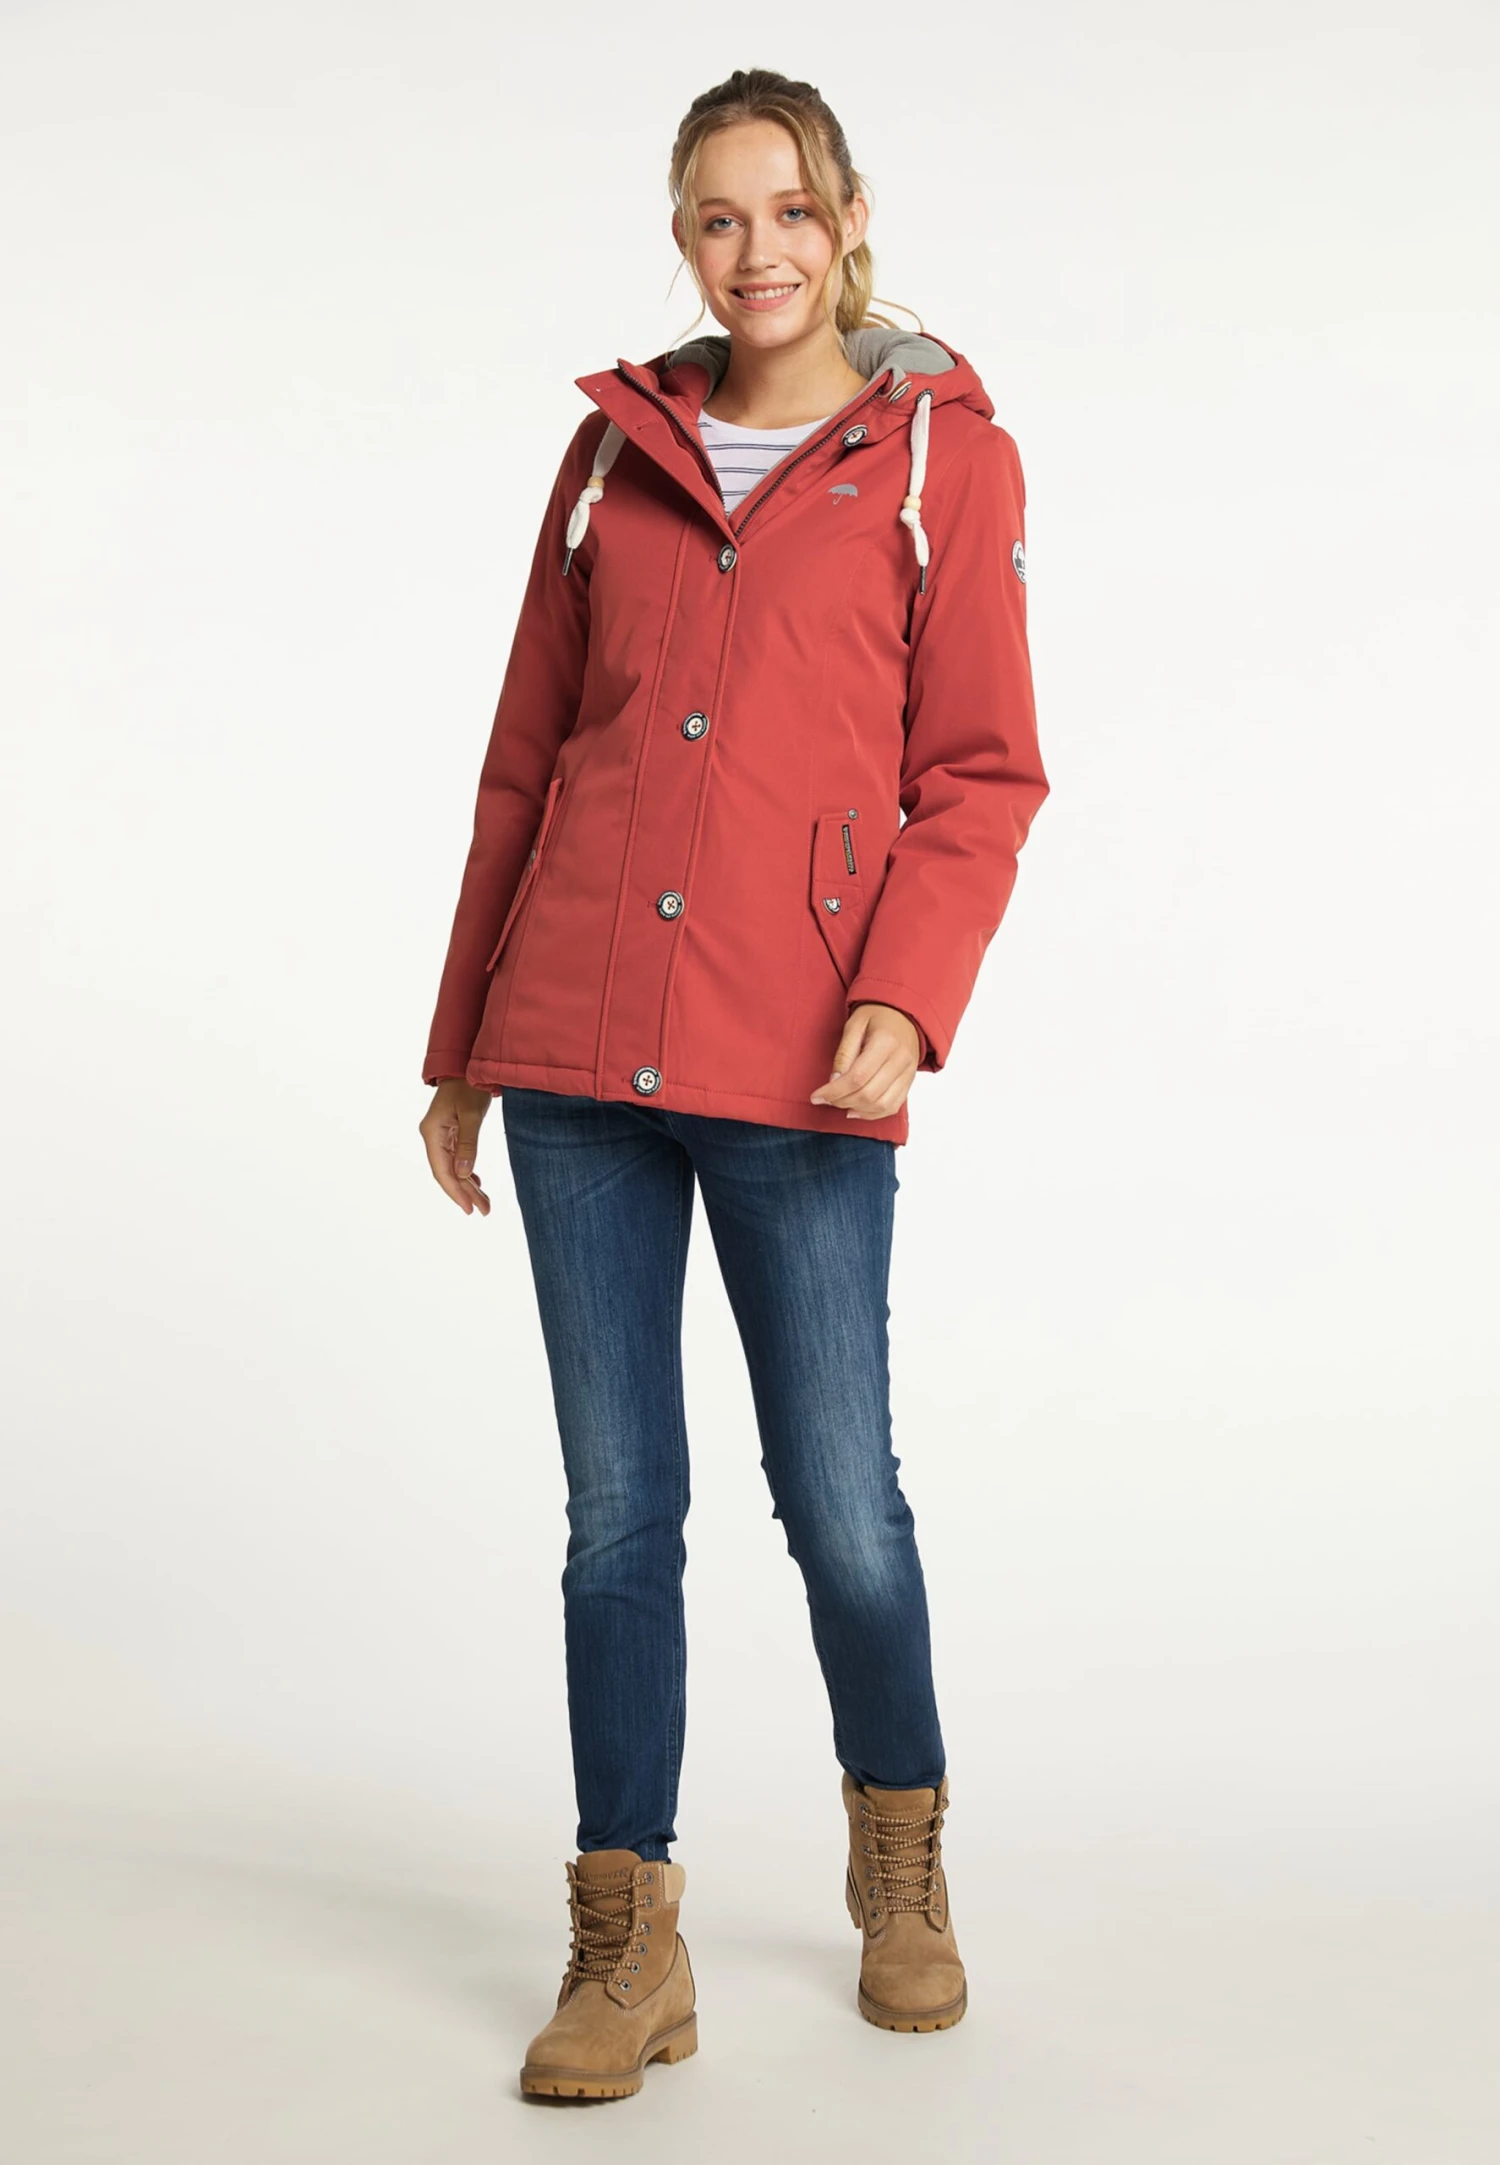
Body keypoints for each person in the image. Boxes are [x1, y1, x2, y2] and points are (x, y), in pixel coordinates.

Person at [417, 66, 1049, 2101]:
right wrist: (459, 1044)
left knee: (842, 1502)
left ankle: (901, 1855)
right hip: (574, 1052)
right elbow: (525, 757)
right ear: (681, 235)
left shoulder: (942, 457)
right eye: (715, 215)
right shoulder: (614, 451)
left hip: (802, 1060)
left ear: (847, 218)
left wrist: (910, 996)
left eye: (787, 209)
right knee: (620, 1516)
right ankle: (630, 1933)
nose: (753, 249)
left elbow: (982, 774)